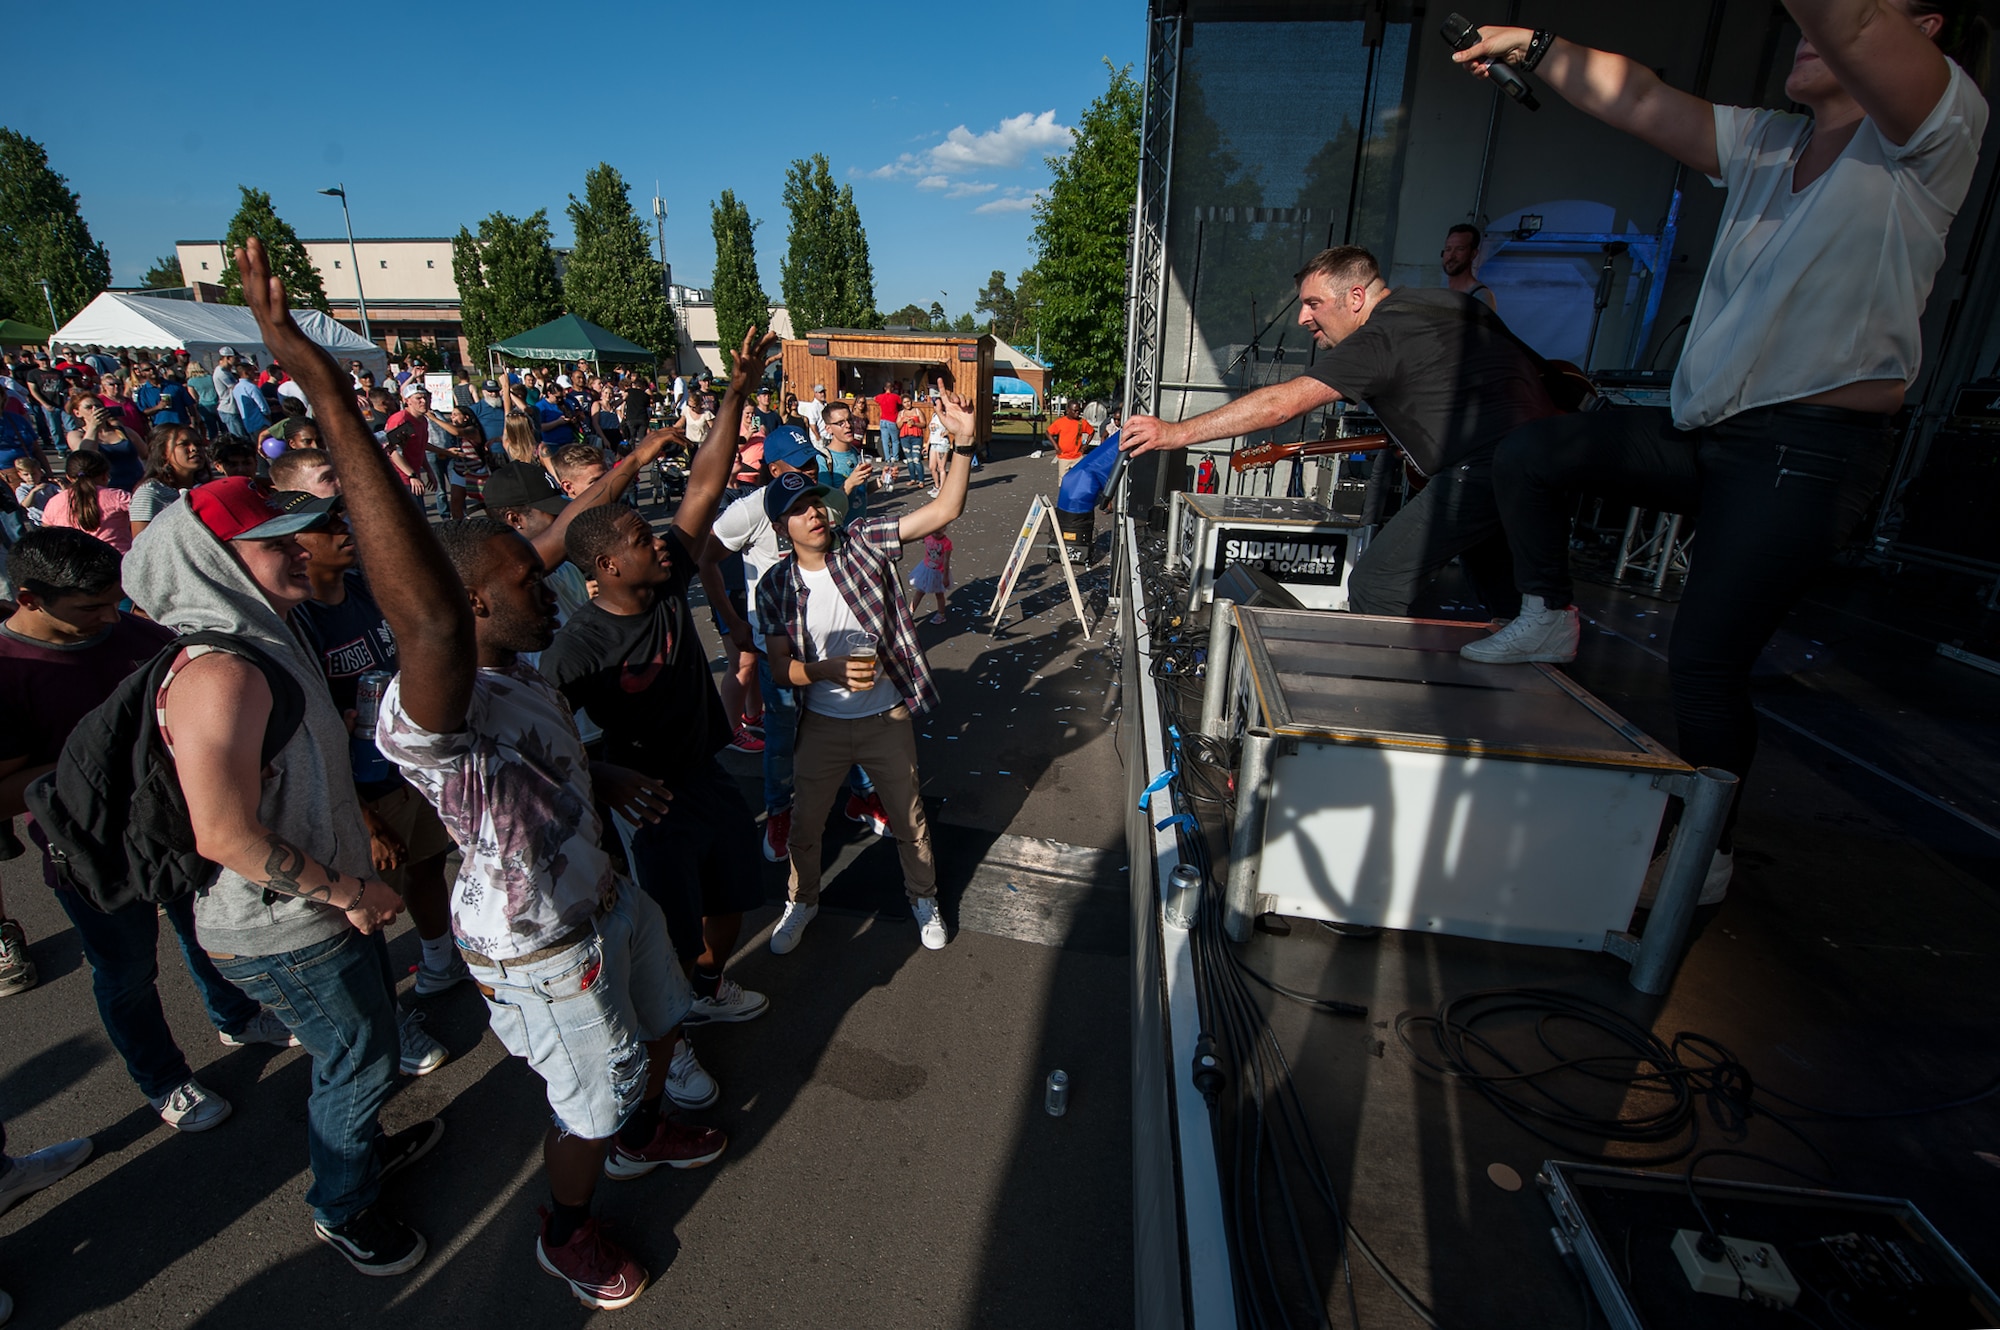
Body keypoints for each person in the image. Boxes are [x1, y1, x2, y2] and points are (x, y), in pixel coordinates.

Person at [232, 237, 724, 1309]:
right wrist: (325, 387)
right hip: (539, 947)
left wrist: (598, 774)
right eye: (522, 580)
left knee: (651, 1031)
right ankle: (567, 1224)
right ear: (471, 611)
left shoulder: (520, 652)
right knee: (586, 1103)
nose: (547, 583)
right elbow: (424, 609)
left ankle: (640, 1128)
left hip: (603, 899)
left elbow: (547, 554)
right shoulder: (429, 712)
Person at [1450, 1, 1990, 900]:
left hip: (1808, 452)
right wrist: (1537, 49)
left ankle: (1705, 855)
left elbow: (1853, 27)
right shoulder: (1767, 143)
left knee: (1703, 660)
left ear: (1926, 27)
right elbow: (1641, 98)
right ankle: (1547, 610)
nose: (1803, 38)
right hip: (1710, 436)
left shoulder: (1932, 130)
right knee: (1534, 453)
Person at [121, 464, 439, 1276]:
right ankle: (343, 1206)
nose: (296, 553)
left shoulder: (269, 633)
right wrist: (348, 890)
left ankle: (355, 1154)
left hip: (318, 911)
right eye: (267, 546)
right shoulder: (221, 673)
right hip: (282, 925)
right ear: (213, 564)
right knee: (359, 1057)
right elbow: (225, 833)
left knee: (359, 1050)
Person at [0, 528, 298, 1123]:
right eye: (90, 608)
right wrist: (101, 757)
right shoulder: (7, 673)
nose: (110, 617)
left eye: (116, 601)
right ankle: (163, 1079)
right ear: (30, 598)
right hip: (91, 856)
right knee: (127, 972)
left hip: (178, 833)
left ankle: (235, 1017)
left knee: (205, 936)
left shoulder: (135, 635)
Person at [1122, 245, 1560, 619]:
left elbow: (1282, 404)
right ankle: (1530, 669)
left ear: (1355, 297)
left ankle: (1381, 707)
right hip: (1540, 458)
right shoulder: (1451, 305)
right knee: (1512, 598)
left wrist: (1174, 433)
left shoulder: (1378, 337)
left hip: (1484, 468)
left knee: (1376, 584)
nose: (1302, 318)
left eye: (1313, 303)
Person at [545, 328, 777, 1030]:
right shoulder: (577, 648)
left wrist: (737, 390)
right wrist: (601, 773)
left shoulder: (669, 574)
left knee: (733, 899)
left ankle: (705, 994)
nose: (659, 541)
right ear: (607, 569)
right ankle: (668, 1045)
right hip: (646, 804)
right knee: (666, 932)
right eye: (640, 540)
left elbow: (705, 481)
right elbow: (535, 740)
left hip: (707, 773)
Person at [756, 386, 979, 954]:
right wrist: (825, 669)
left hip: (885, 715)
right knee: (805, 829)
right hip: (823, 725)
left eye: (815, 502)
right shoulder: (775, 586)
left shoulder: (861, 542)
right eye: (798, 510)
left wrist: (964, 445)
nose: (812, 514)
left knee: (909, 819)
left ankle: (923, 897)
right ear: (782, 528)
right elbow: (781, 672)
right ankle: (800, 903)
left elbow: (943, 510)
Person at [289, 494, 466, 1009]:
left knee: (429, 866)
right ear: (296, 545)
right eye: (325, 525)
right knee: (363, 908)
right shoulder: (301, 623)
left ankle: (438, 960)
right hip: (359, 794)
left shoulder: (366, 592)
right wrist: (365, 821)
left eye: (341, 516)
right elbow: (315, 737)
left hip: (410, 773)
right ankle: (380, 1015)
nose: (342, 528)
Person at [702, 426, 878, 862]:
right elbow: (706, 560)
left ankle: (862, 797)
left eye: (812, 464)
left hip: (829, 642)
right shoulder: (749, 510)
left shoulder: (820, 499)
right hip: (777, 648)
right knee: (782, 743)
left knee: (850, 725)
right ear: (772, 469)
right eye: (797, 468)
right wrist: (734, 623)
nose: (807, 473)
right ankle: (780, 812)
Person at [128, 424, 210, 537]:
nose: (194, 449)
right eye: (184, 444)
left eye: (198, 444)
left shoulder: (205, 486)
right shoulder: (150, 493)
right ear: (163, 453)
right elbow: (141, 545)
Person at [45, 451, 134, 554]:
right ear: (105, 476)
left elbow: (48, 535)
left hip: (74, 563)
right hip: (117, 559)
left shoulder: (54, 502)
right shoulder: (119, 497)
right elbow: (147, 515)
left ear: (69, 477)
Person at [65, 393, 148, 492]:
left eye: (98, 406)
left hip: (136, 486)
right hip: (105, 490)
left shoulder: (123, 431)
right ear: (77, 413)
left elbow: (146, 454)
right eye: (89, 407)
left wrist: (146, 477)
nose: (95, 410)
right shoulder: (76, 435)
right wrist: (93, 427)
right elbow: (84, 457)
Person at [1440, 223, 1496, 310]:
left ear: (1473, 254)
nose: (1451, 256)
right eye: (1448, 249)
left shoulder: (1481, 296)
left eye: (1460, 249)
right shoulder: (1442, 292)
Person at [911, 521, 953, 623]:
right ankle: (910, 612)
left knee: (939, 594)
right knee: (919, 591)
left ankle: (941, 614)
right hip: (926, 569)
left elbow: (946, 561)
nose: (935, 534)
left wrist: (946, 576)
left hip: (938, 572)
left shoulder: (946, 543)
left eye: (938, 532)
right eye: (933, 531)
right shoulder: (928, 537)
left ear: (944, 529)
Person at [896, 395, 931, 489]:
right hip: (905, 438)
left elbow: (924, 424)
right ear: (902, 404)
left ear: (911, 402)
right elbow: (898, 426)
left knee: (916, 459)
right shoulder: (901, 413)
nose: (907, 404)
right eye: (905, 402)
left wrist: (914, 423)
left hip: (916, 437)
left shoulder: (917, 411)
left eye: (908, 401)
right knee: (909, 460)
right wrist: (903, 420)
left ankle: (921, 480)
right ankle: (912, 478)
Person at [873, 380, 904, 480]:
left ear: (884, 388)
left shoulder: (880, 397)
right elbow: (901, 402)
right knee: (895, 440)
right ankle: (895, 458)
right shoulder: (895, 397)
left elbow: (874, 399)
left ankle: (887, 458)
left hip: (883, 420)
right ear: (892, 388)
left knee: (885, 441)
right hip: (892, 420)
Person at [798, 382, 829, 447]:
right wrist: (818, 437)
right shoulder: (813, 407)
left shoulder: (826, 405)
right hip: (819, 438)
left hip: (828, 436)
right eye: (820, 393)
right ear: (815, 394)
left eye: (823, 392)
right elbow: (812, 425)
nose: (823, 394)